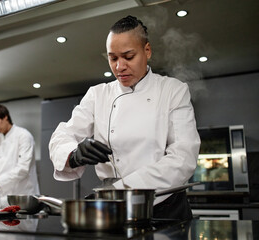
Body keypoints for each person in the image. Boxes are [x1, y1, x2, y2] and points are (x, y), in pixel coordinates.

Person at [48, 15, 200, 220]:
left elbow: (183, 157)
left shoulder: (172, 90)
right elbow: (63, 134)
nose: (119, 67)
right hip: (114, 209)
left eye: (128, 56)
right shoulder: (98, 94)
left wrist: (120, 191)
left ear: (147, 51)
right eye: (113, 58)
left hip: (164, 208)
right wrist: (73, 154)